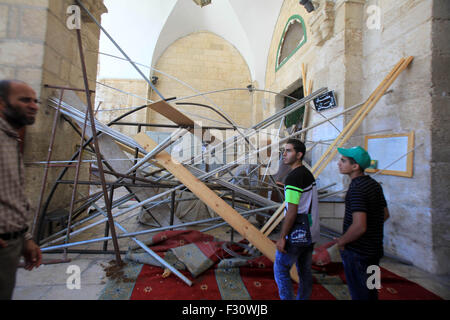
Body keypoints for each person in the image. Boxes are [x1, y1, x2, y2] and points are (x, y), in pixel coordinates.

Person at [0, 80, 42, 300]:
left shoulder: (11, 138)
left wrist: (25, 238)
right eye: (25, 100)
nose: (34, 105)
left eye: (35, 100)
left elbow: (12, 196)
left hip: (11, 243)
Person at [336, 146, 390, 300]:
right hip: (374, 251)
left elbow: (359, 226)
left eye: (343, 161)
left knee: (360, 294)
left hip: (358, 254)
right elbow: (385, 214)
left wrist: (342, 241)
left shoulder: (357, 188)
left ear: (355, 166)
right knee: (371, 292)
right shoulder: (374, 185)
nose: (339, 163)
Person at [274, 139, 320, 300]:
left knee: (280, 269)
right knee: (304, 271)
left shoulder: (293, 178)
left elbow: (292, 211)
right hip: (311, 232)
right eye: (283, 151)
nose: (284, 154)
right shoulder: (306, 173)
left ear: (299, 155)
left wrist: (282, 237)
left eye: (289, 151)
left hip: (297, 233)